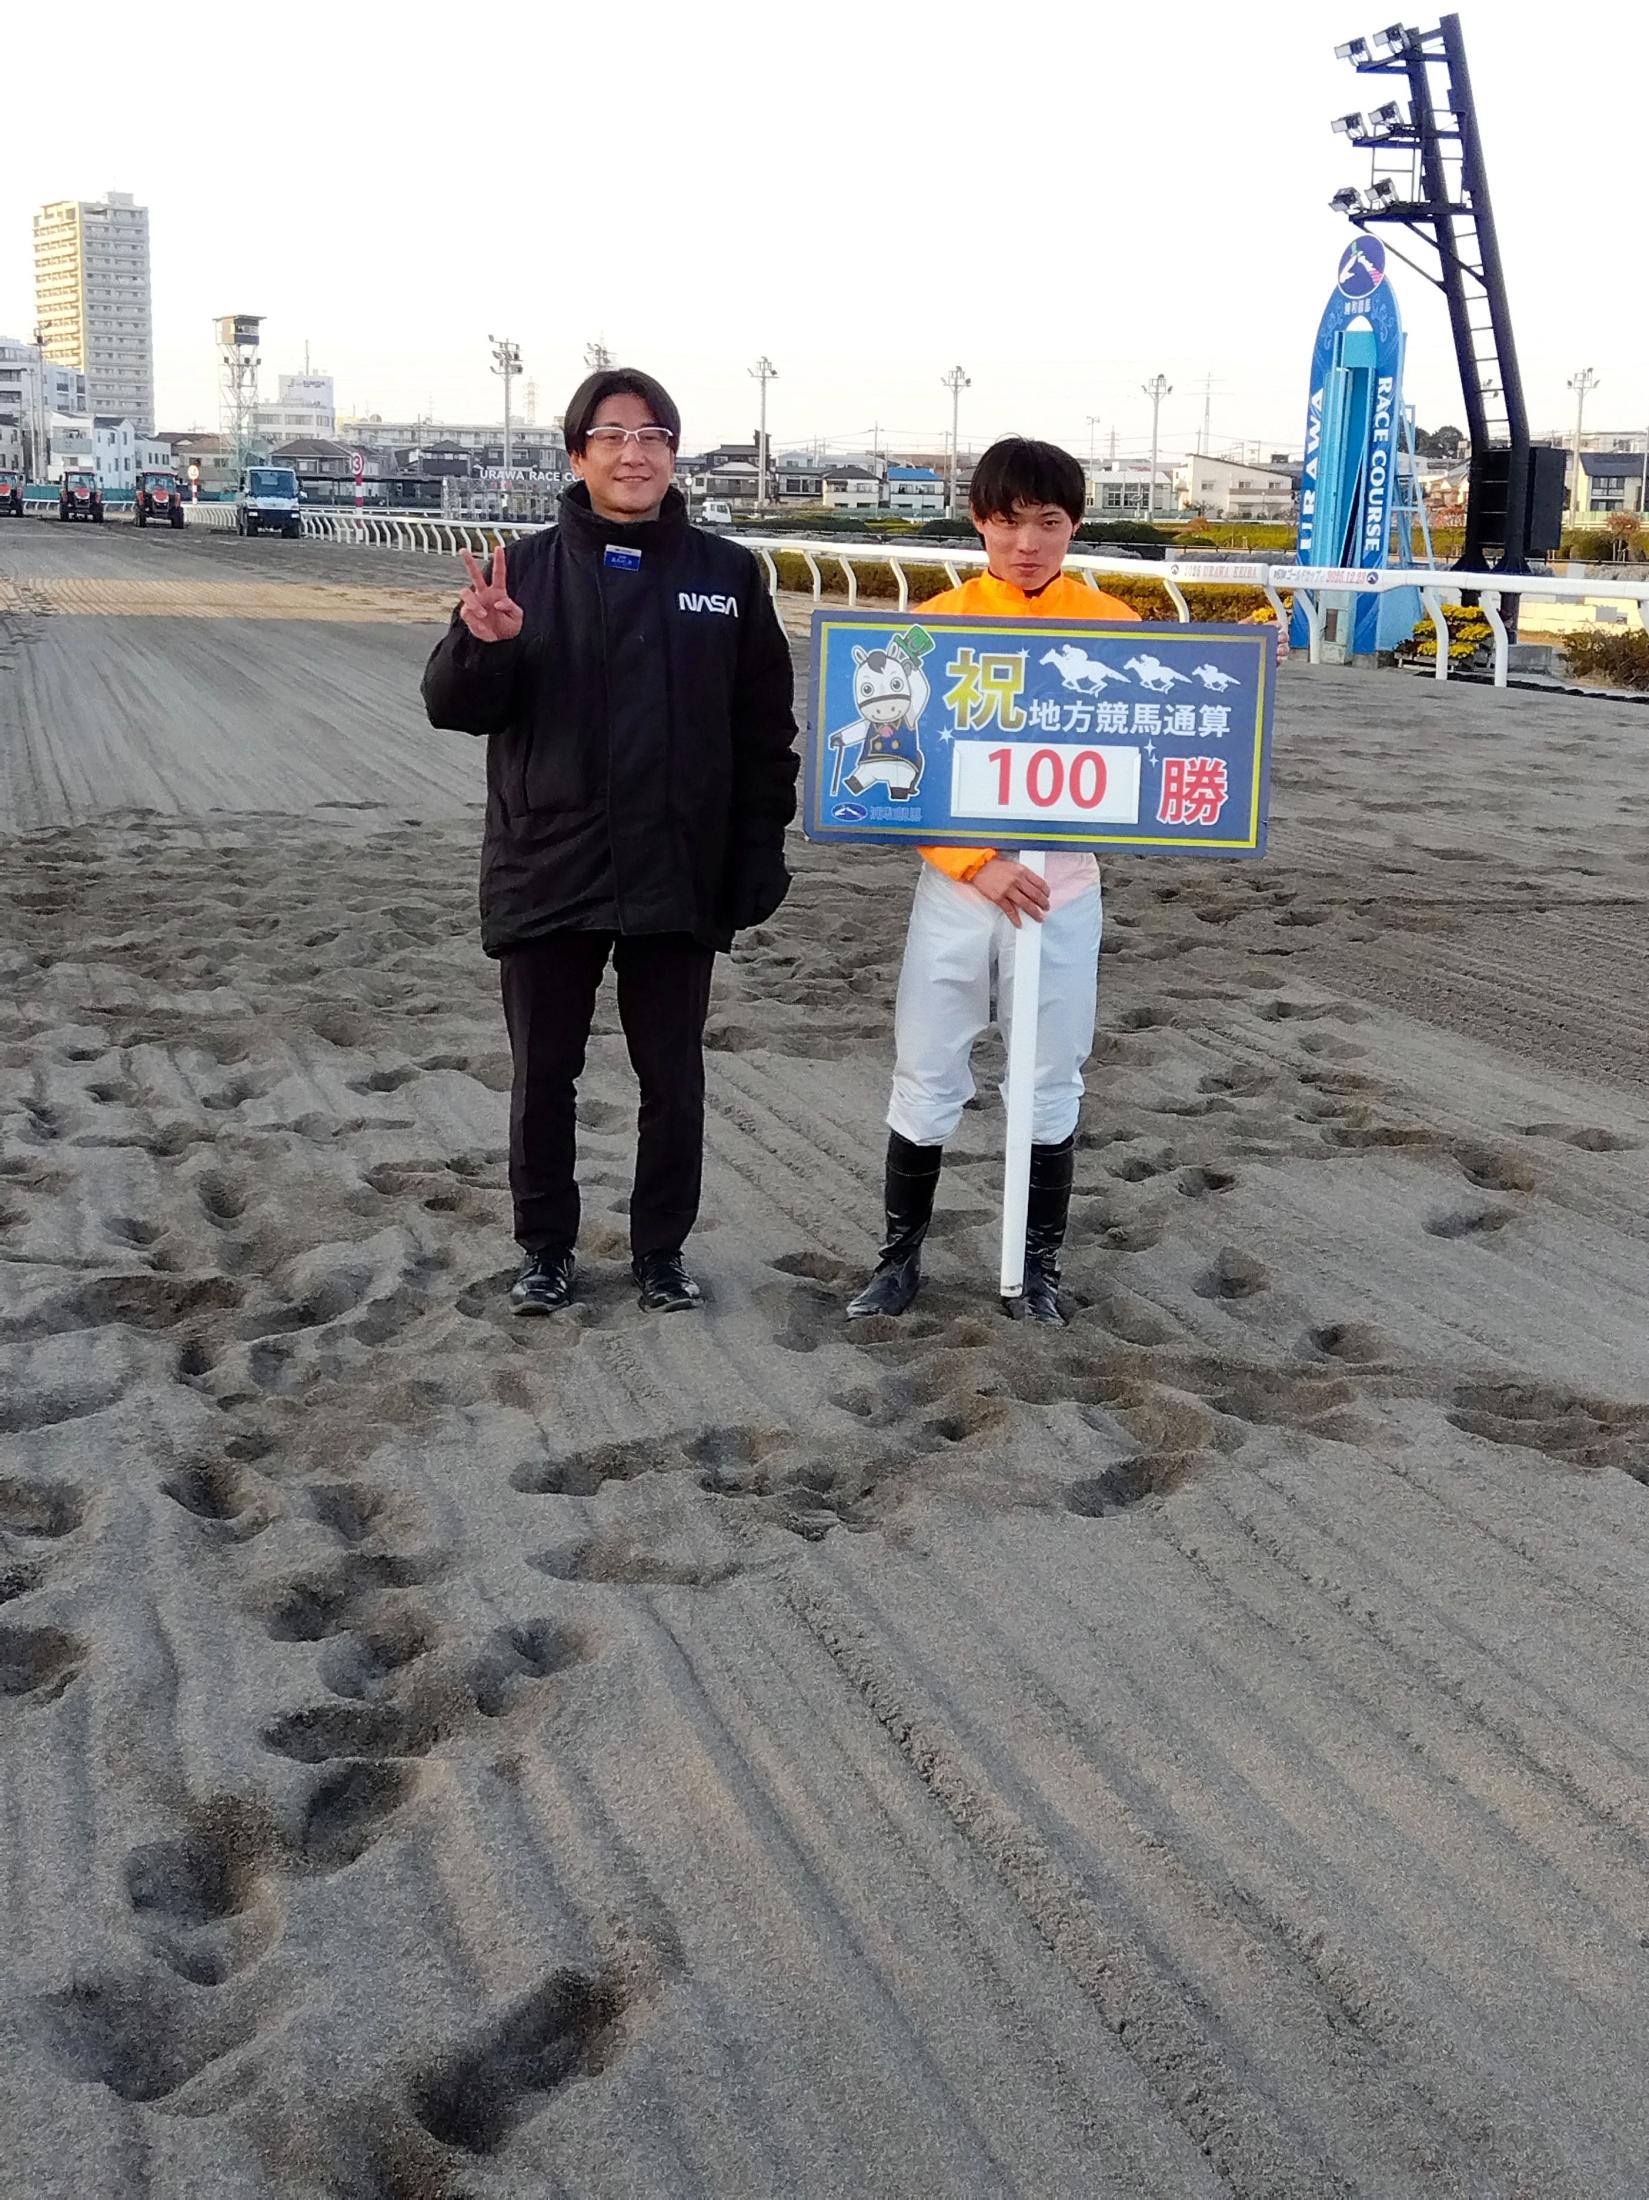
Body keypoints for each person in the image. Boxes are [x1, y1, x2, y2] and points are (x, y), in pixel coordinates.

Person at [422, 367, 798, 1315]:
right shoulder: (520, 571)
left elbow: (765, 731)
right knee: (543, 1073)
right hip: (549, 859)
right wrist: (484, 644)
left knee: (671, 1075)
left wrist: (758, 849)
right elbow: (454, 708)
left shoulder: (727, 575)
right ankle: (544, 1249)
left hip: (678, 864)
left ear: (674, 453)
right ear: (577, 453)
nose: (635, 454)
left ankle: (660, 1251)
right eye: (613, 436)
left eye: (653, 436)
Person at [846, 436, 1140, 1328]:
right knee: (926, 1065)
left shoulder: (1118, 624)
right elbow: (890, 769)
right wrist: (978, 861)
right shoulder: (932, 624)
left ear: (1074, 526)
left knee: (1050, 1078)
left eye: (1048, 522)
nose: (1027, 543)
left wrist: (1252, 673)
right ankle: (897, 1260)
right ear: (979, 522)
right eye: (1008, 522)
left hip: (1064, 888)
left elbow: (1168, 745)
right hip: (959, 888)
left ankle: (1034, 1268)